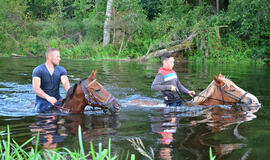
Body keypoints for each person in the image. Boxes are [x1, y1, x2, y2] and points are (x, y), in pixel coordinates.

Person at [32, 48, 70, 113]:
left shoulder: (61, 70)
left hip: (58, 99)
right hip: (42, 101)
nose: (59, 59)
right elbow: (36, 89)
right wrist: (48, 98)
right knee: (45, 112)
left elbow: (65, 82)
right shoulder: (38, 70)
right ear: (49, 57)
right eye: (57, 56)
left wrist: (70, 93)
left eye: (59, 56)